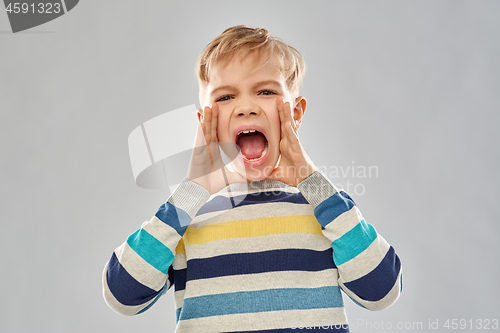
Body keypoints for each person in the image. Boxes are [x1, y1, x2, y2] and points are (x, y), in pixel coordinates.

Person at [102, 25, 402, 332]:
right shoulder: (185, 217)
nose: (246, 108)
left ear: (295, 113)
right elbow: (123, 296)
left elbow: (381, 292)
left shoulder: (325, 208)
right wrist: (192, 192)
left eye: (266, 91)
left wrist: (313, 183)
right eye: (226, 96)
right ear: (205, 121)